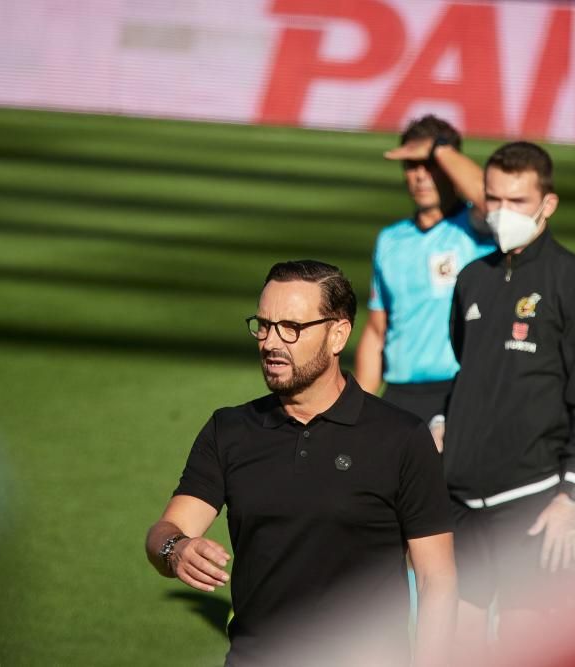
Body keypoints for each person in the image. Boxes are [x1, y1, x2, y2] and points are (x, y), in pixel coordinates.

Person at [145, 260, 457, 667]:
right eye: (264, 324)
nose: (271, 342)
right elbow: (165, 532)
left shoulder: (400, 437)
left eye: (291, 328)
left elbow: (437, 578)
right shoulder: (231, 430)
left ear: (337, 334)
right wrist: (176, 549)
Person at [443, 142, 575, 661]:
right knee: (460, 643)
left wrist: (571, 496)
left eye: (517, 201)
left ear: (548, 204)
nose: (502, 213)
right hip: (460, 494)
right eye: (493, 199)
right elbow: (468, 368)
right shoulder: (473, 279)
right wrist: (441, 420)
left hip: (534, 496)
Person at [355, 115, 494, 448]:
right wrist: (354, 410)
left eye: (429, 165)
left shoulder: (476, 229)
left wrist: (441, 150)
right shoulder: (390, 240)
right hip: (399, 395)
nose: (420, 176)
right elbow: (377, 330)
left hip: (459, 390)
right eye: (411, 166)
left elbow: (491, 198)